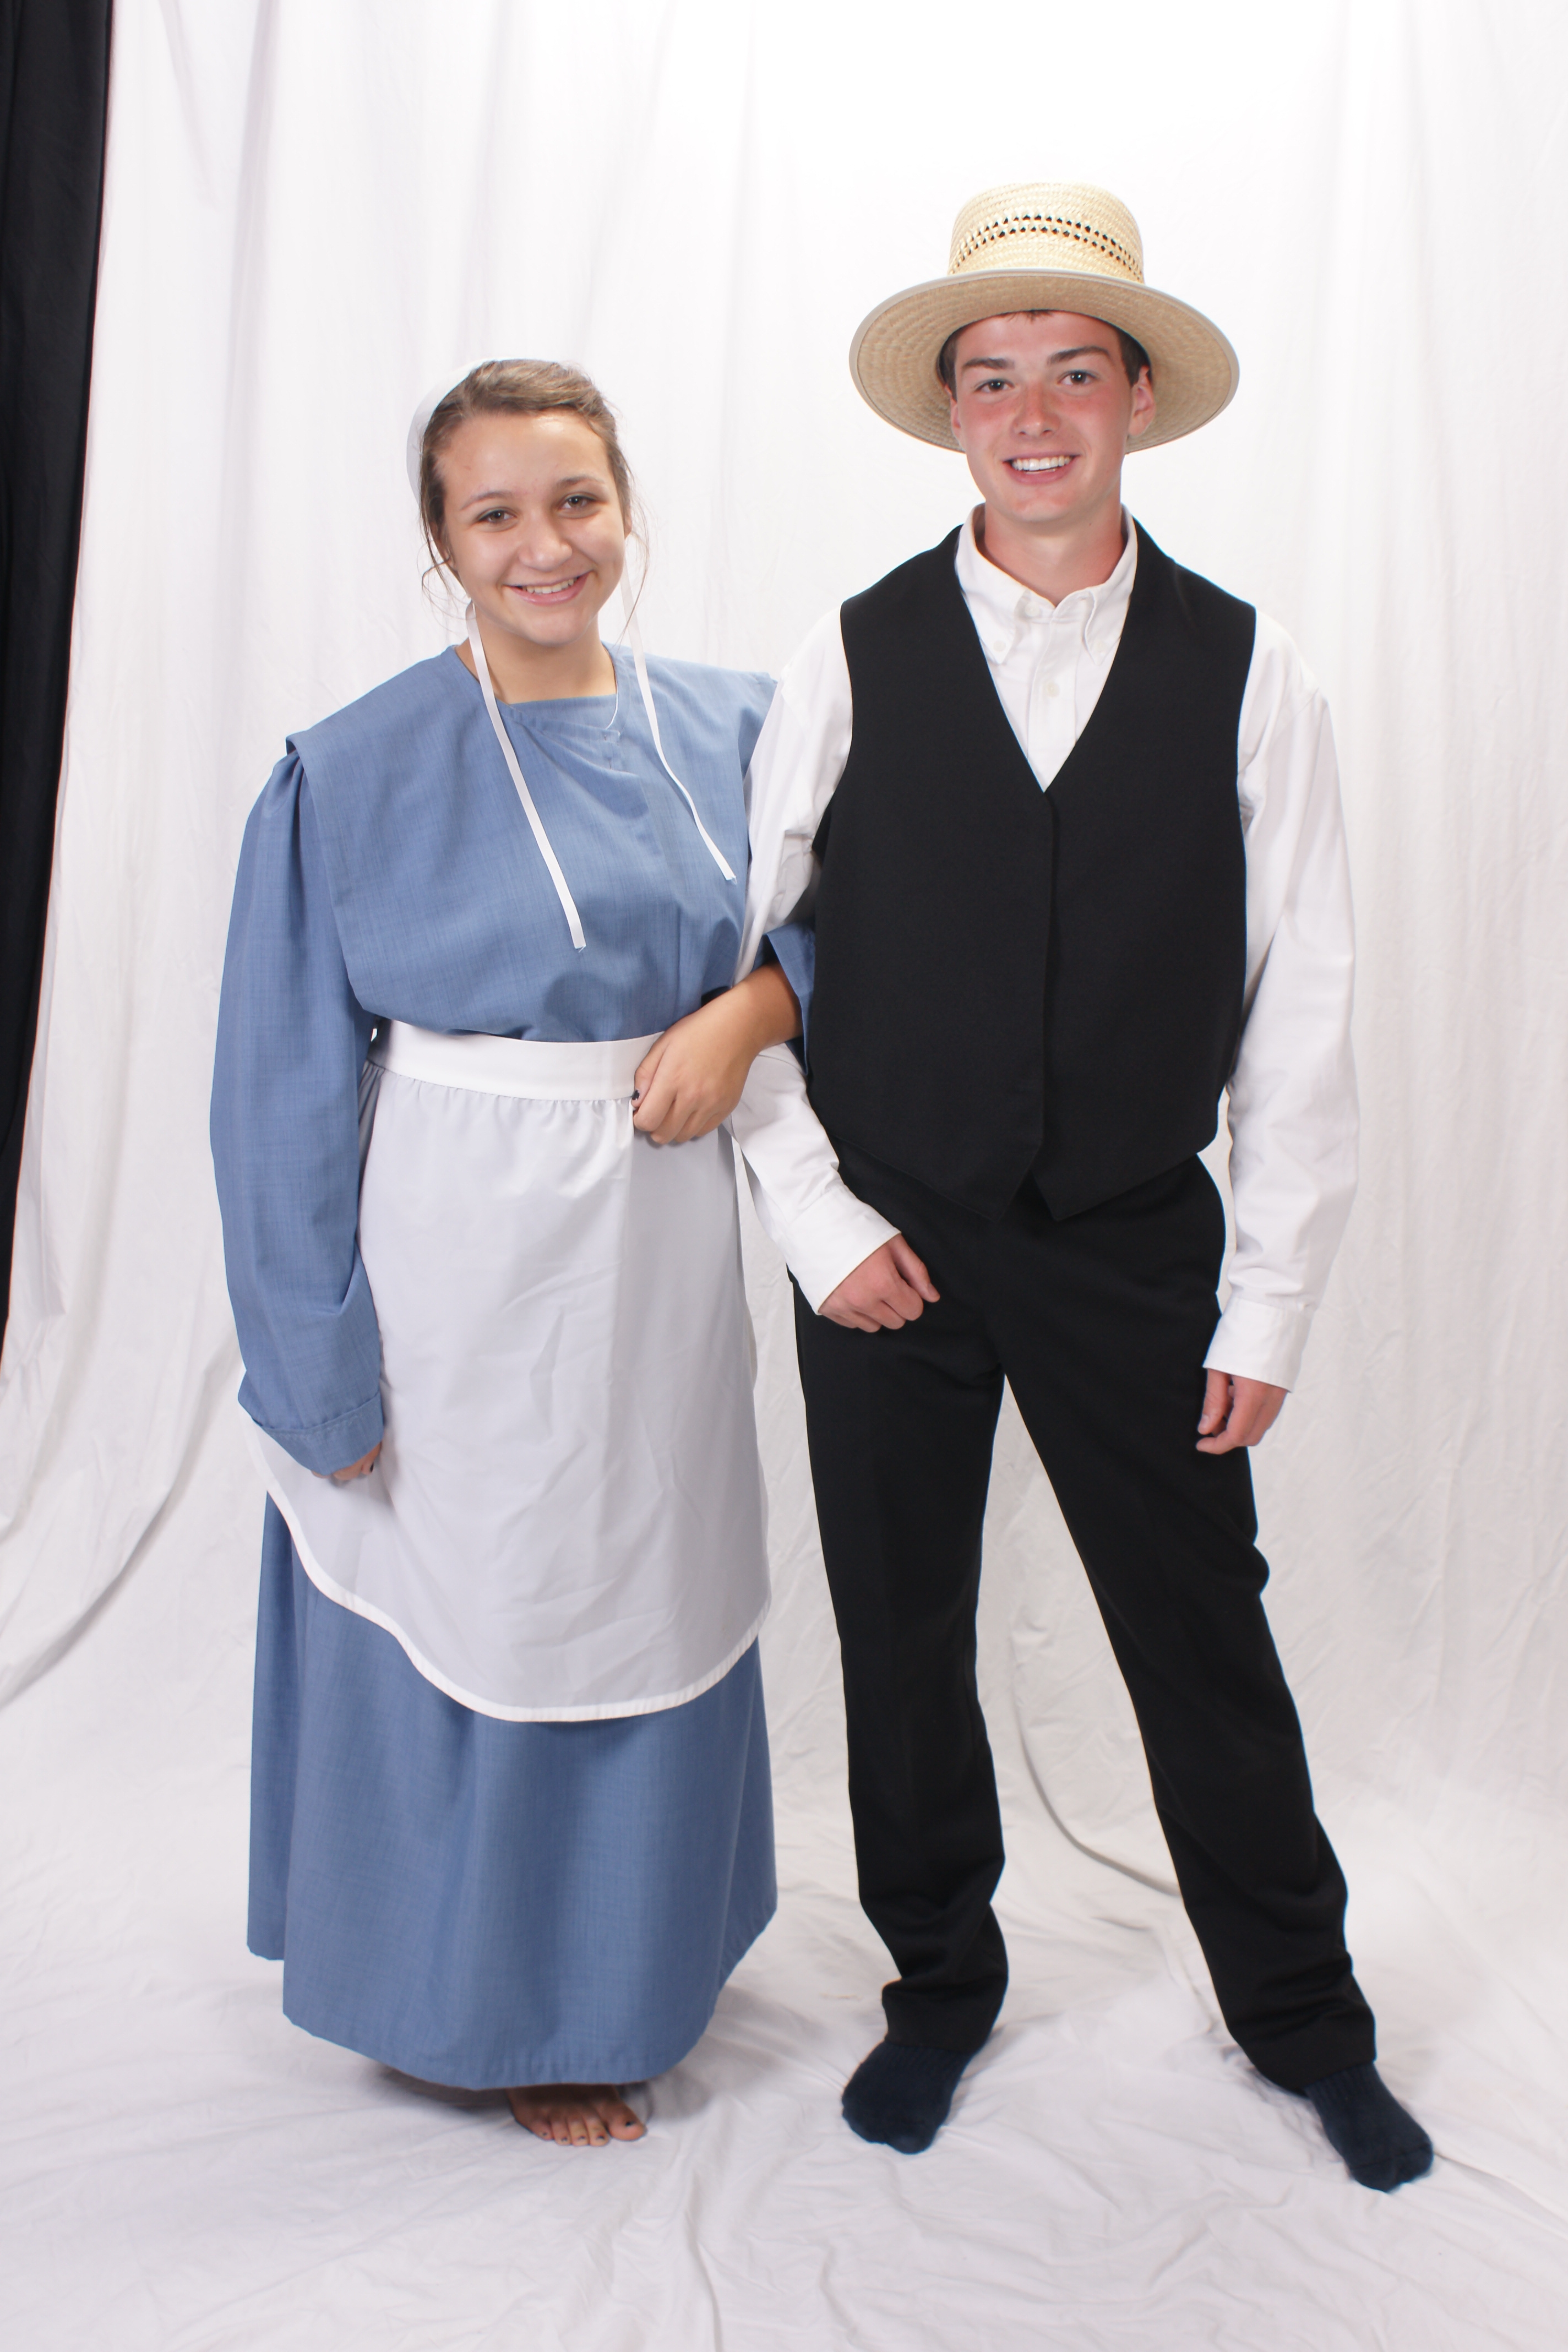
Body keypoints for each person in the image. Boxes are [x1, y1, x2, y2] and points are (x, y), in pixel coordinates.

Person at [733, 184, 1435, 2190]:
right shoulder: (852, 648)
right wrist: (818, 1220)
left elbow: (1309, 1000)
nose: (1031, 414)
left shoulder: (1247, 663)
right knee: (901, 1627)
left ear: (1133, 398)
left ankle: (1302, 2015)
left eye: (1070, 373)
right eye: (991, 379)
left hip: (1136, 1239)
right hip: (891, 1232)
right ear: (954, 416)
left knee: (1205, 1635)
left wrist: (1271, 1299)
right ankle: (938, 1988)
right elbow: (755, 966)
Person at [210, 360, 906, 2148]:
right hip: (457, 1257)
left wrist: (749, 1013)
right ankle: (492, 2009)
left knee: (638, 1590)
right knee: (485, 1601)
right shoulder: (347, 773)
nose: (546, 545)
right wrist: (316, 1369)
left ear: (626, 508)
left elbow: (883, 913)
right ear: (442, 541)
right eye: (497, 513)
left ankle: (628, 1972)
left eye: (576, 501)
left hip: (660, 1262)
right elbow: (276, 1098)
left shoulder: (737, 728)